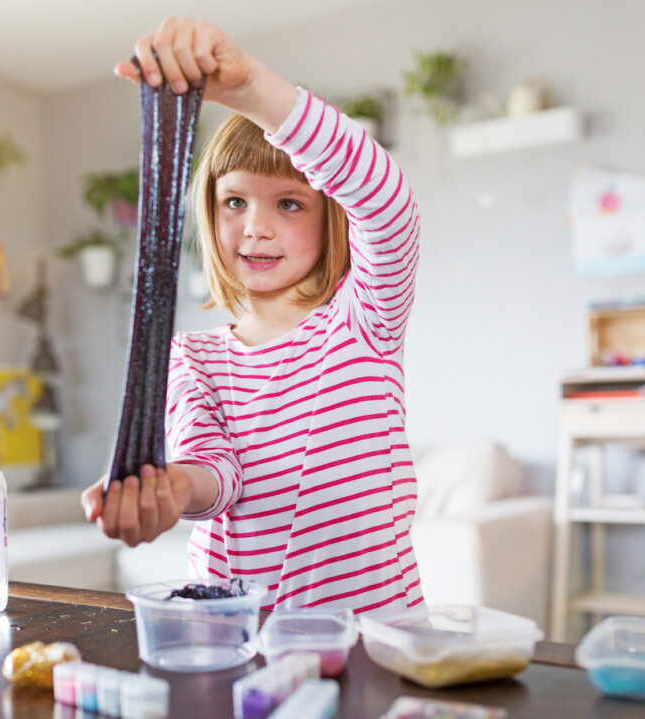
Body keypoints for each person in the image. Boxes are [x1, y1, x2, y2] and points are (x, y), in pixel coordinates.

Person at [81, 17, 422, 615]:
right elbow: (216, 470)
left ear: (331, 218)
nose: (256, 227)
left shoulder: (366, 318)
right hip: (236, 634)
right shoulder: (195, 356)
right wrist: (175, 489)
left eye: (288, 203)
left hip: (373, 635)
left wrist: (251, 91)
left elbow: (389, 206)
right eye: (234, 201)